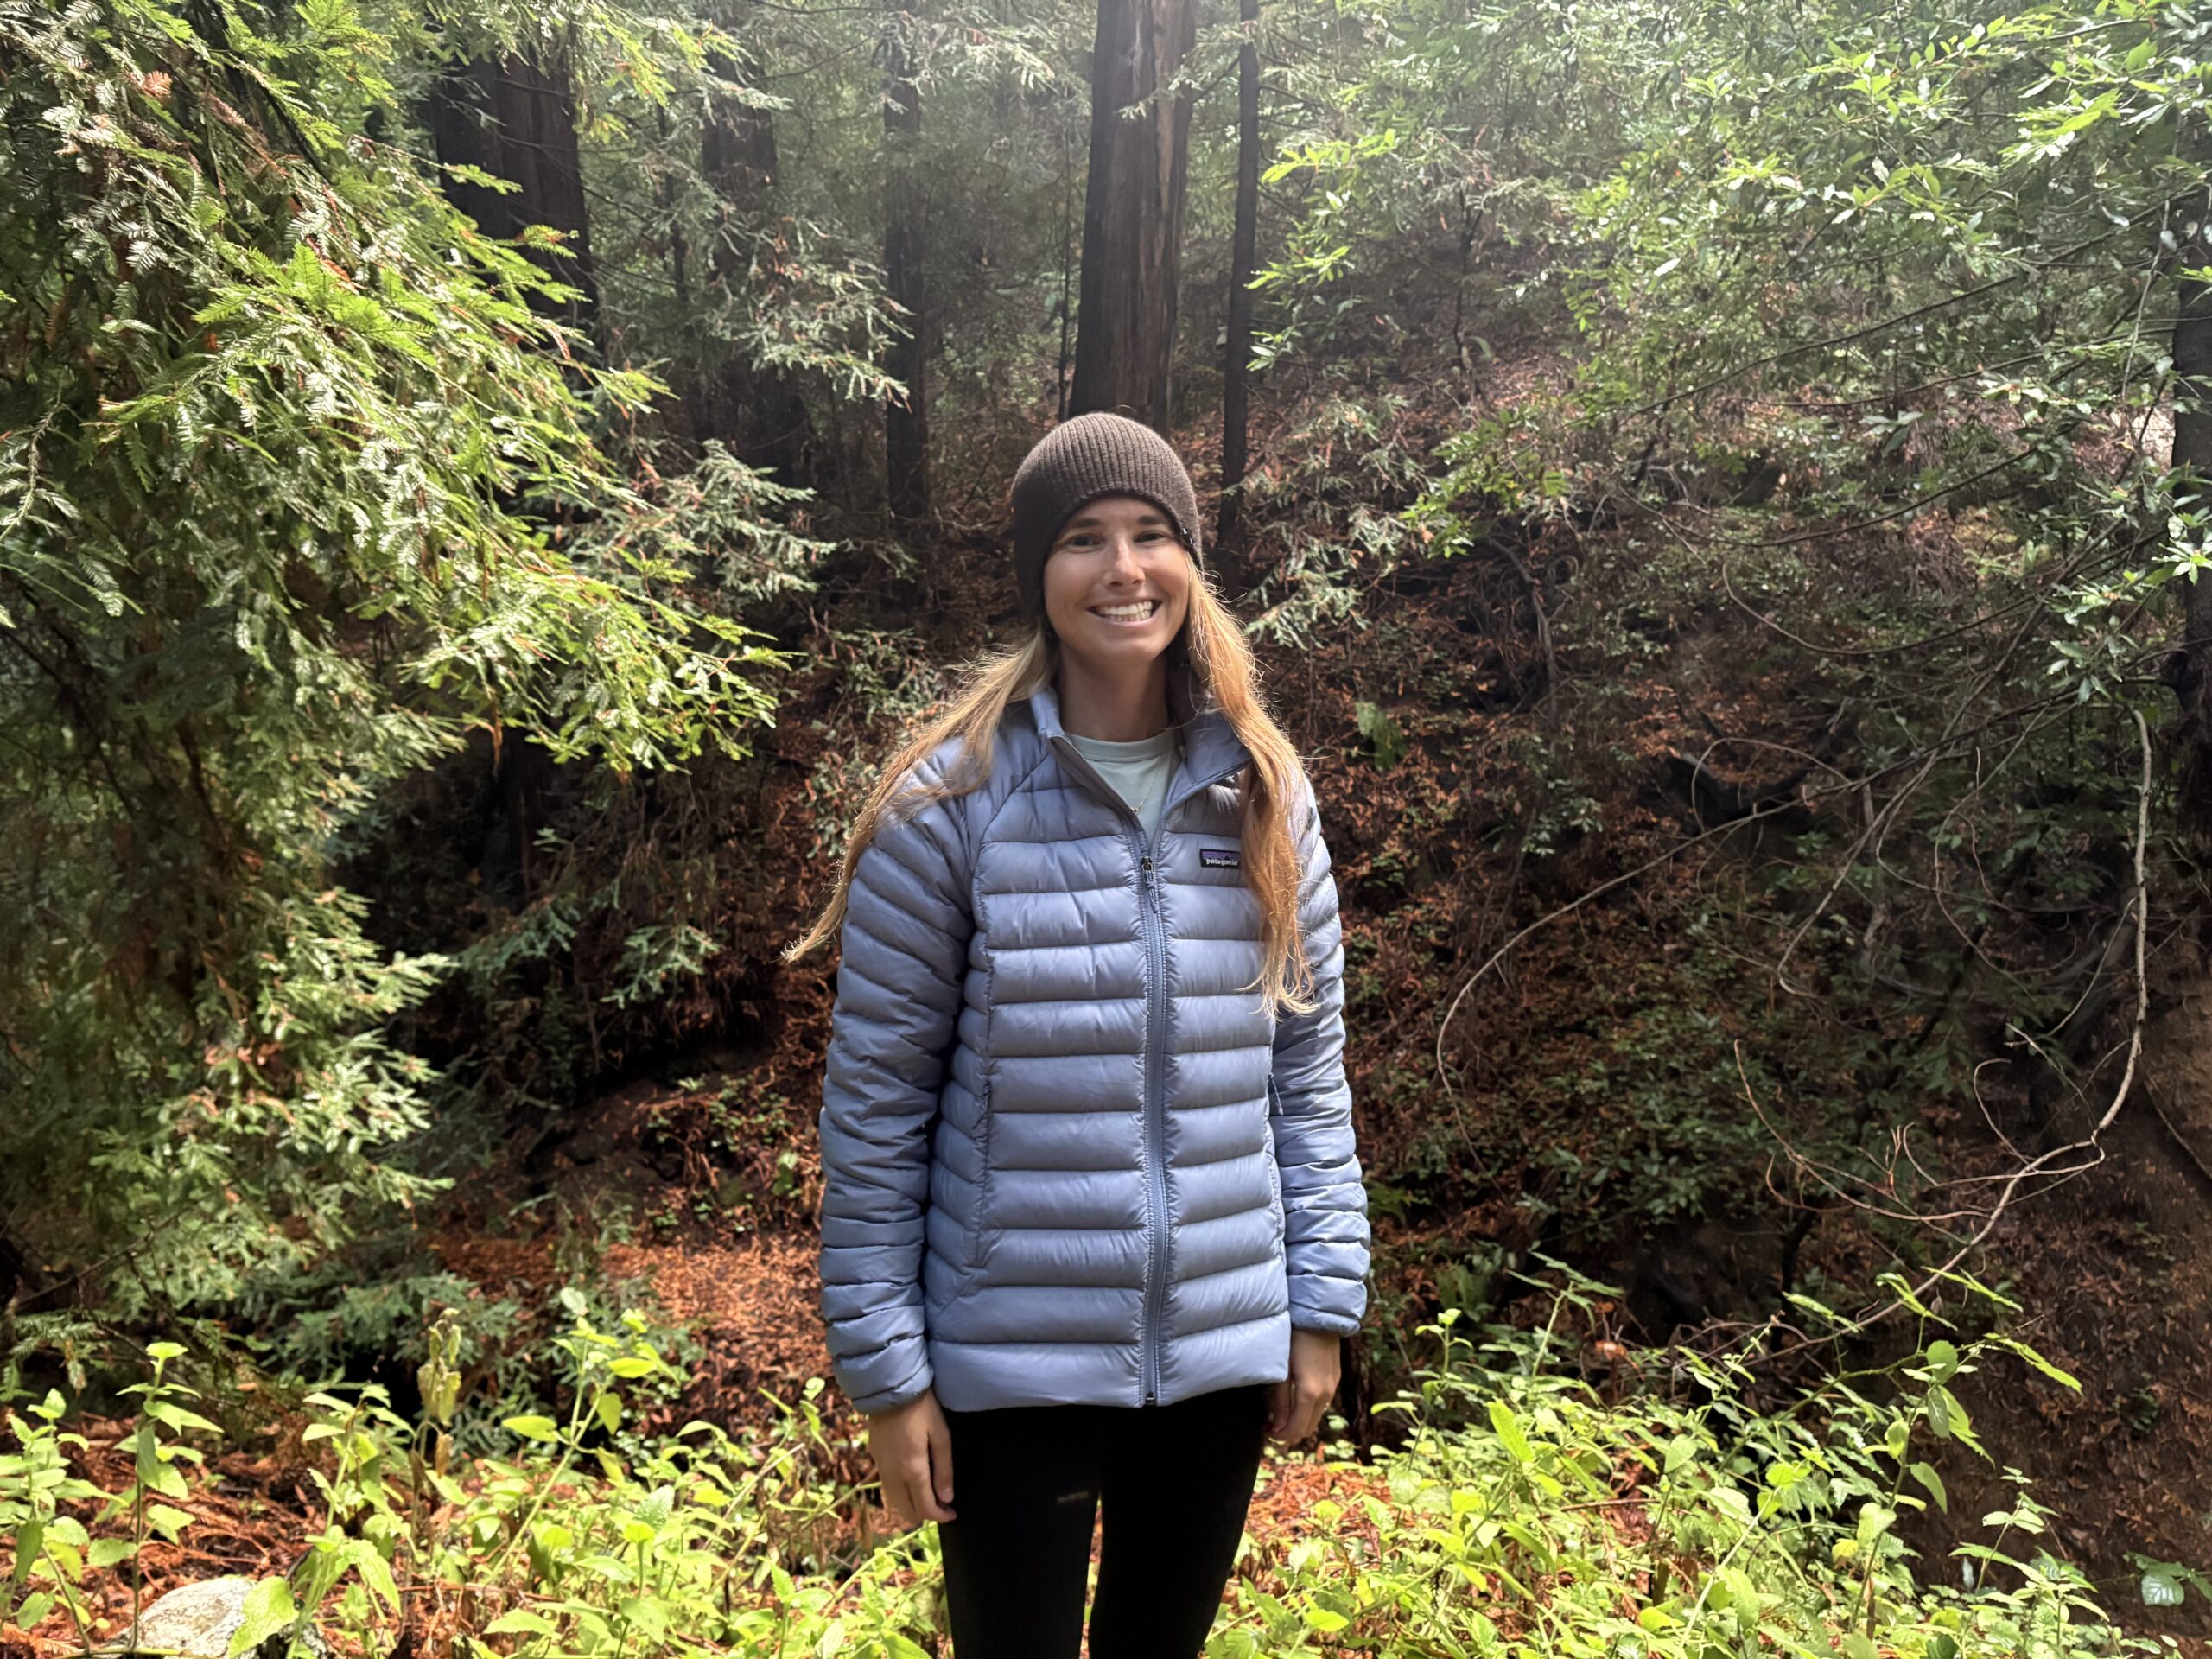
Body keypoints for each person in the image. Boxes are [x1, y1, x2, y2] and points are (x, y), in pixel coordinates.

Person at [786, 412, 1370, 1659]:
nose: (1124, 568)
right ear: (1036, 577)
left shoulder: (1263, 791)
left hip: (1219, 1351)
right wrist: (891, 1379)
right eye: (1085, 540)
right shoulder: (949, 804)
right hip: (1010, 1372)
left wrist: (1319, 1305)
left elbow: (1306, 1077)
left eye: (1152, 534)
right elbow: (876, 1113)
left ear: (1190, 563)